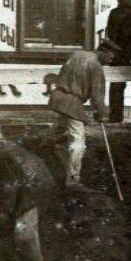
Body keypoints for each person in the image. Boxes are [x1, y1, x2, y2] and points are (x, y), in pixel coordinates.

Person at [47, 47, 107, 188]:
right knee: (78, 141)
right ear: (103, 52)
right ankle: (73, 179)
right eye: (111, 55)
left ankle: (47, 144)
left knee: (63, 122)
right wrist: (100, 113)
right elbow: (97, 94)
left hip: (58, 96)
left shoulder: (76, 55)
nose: (111, 59)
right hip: (71, 101)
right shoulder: (96, 66)